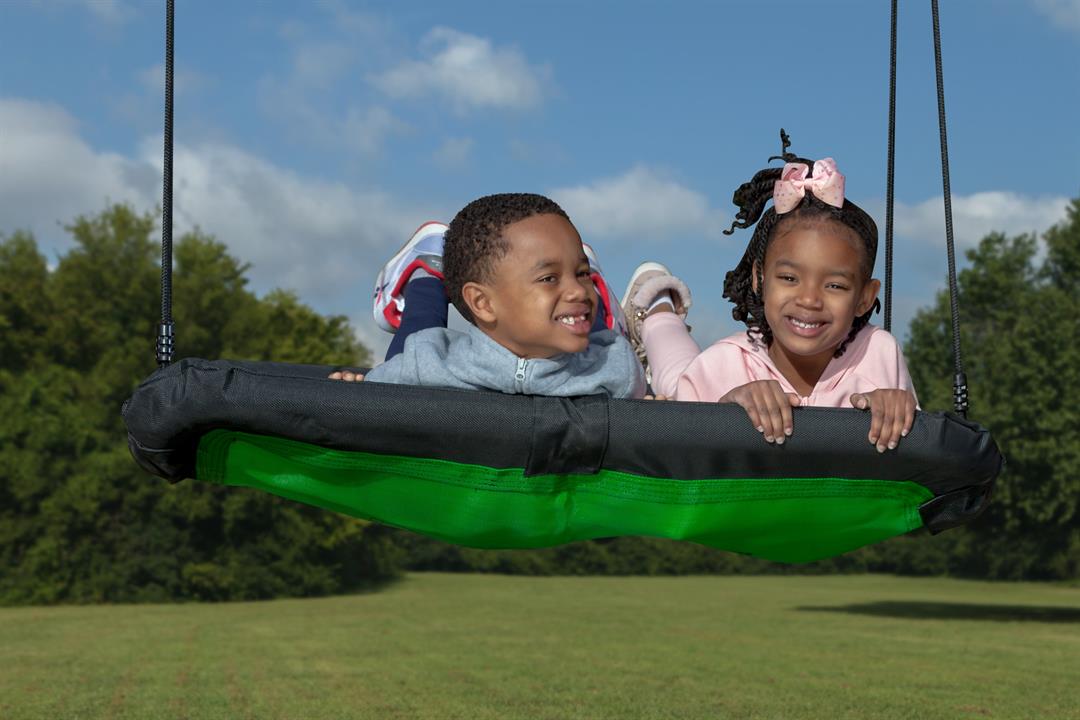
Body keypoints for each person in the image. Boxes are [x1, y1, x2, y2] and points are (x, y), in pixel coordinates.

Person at [621, 136, 917, 452]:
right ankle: (657, 307)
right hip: (690, 381)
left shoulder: (879, 353)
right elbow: (680, 458)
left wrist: (899, 409)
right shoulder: (720, 366)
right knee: (673, 373)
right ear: (759, 278)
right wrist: (724, 412)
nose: (809, 300)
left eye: (834, 286)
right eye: (789, 278)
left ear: (865, 298)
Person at [331, 192, 645, 398]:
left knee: (591, 328)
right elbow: (372, 398)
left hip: (588, 339)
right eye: (549, 277)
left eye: (582, 273)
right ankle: (425, 278)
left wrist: (652, 404)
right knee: (418, 328)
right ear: (483, 303)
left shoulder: (615, 367)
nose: (577, 288)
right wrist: (356, 388)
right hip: (434, 348)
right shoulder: (426, 363)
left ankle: (600, 303)